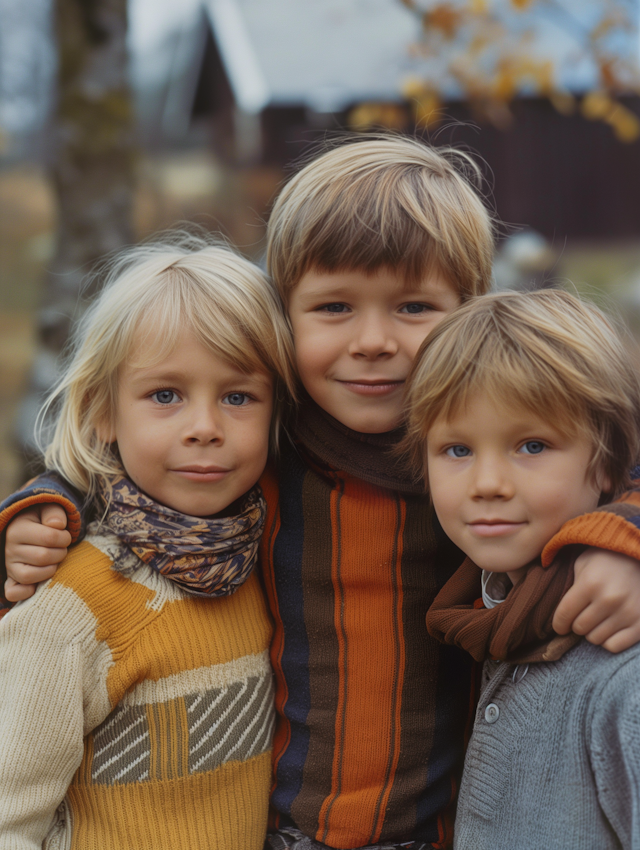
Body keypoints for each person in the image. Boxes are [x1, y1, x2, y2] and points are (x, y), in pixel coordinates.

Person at [4, 137, 640, 850]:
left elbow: (608, 450)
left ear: (469, 310)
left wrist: (622, 538)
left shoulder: (477, 467)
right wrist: (42, 504)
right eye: (334, 307)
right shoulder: (266, 442)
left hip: (450, 827)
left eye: (413, 308)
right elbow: (130, 461)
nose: (373, 341)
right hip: (284, 831)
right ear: (286, 315)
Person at [0, 236, 297, 849]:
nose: (205, 429)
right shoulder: (72, 603)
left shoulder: (270, 557)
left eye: (238, 397)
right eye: (165, 395)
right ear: (103, 411)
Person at [402, 289, 640, 848]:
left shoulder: (621, 671)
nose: (488, 484)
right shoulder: (491, 607)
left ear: (606, 464)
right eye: (457, 450)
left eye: (531, 445)